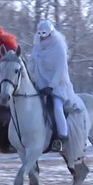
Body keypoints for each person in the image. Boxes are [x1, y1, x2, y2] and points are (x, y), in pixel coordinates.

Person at [28, 19, 76, 152]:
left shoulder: (58, 48)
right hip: (39, 85)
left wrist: (52, 86)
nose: (42, 36)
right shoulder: (37, 48)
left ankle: (62, 137)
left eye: (45, 33)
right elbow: (31, 65)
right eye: (40, 33)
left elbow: (61, 70)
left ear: (51, 33)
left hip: (57, 86)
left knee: (57, 107)